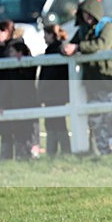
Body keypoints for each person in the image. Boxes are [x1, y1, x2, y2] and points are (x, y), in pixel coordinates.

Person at [62, 0, 112, 155]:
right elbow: (72, 44)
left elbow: (102, 45)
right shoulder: (82, 30)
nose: (87, 17)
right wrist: (64, 48)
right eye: (84, 14)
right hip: (92, 83)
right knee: (96, 121)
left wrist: (77, 48)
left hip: (109, 81)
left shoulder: (108, 26)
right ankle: (104, 152)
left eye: (89, 14)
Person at [0, 38, 38, 159]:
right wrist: (2, 104)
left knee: (28, 133)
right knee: (15, 133)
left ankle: (29, 155)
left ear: (19, 53)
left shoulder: (29, 66)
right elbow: (7, 89)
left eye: (12, 52)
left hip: (27, 103)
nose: (10, 55)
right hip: (14, 103)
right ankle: (17, 157)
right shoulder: (10, 70)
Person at [38, 23, 71, 156]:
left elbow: (51, 74)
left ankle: (58, 150)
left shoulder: (55, 50)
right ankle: (57, 150)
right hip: (55, 92)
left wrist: (43, 88)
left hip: (54, 93)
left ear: (52, 35)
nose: (44, 37)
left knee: (56, 122)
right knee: (54, 122)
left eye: (45, 34)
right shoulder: (55, 49)